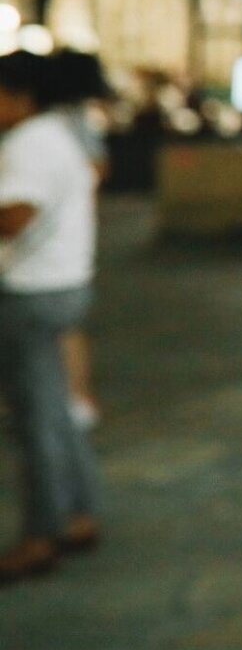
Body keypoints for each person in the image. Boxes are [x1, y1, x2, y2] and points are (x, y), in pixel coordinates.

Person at [0, 52, 104, 583]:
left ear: (20, 96)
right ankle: (81, 512)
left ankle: (41, 535)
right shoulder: (60, 134)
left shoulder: (28, 145)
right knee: (57, 409)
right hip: (66, 282)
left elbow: (15, 216)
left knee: (35, 417)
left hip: (32, 289)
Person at [43, 51, 109, 433]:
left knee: (63, 322)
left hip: (61, 234)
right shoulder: (76, 117)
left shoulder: (59, 121)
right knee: (68, 322)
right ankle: (76, 396)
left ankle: (76, 396)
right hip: (73, 231)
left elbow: (96, 165)